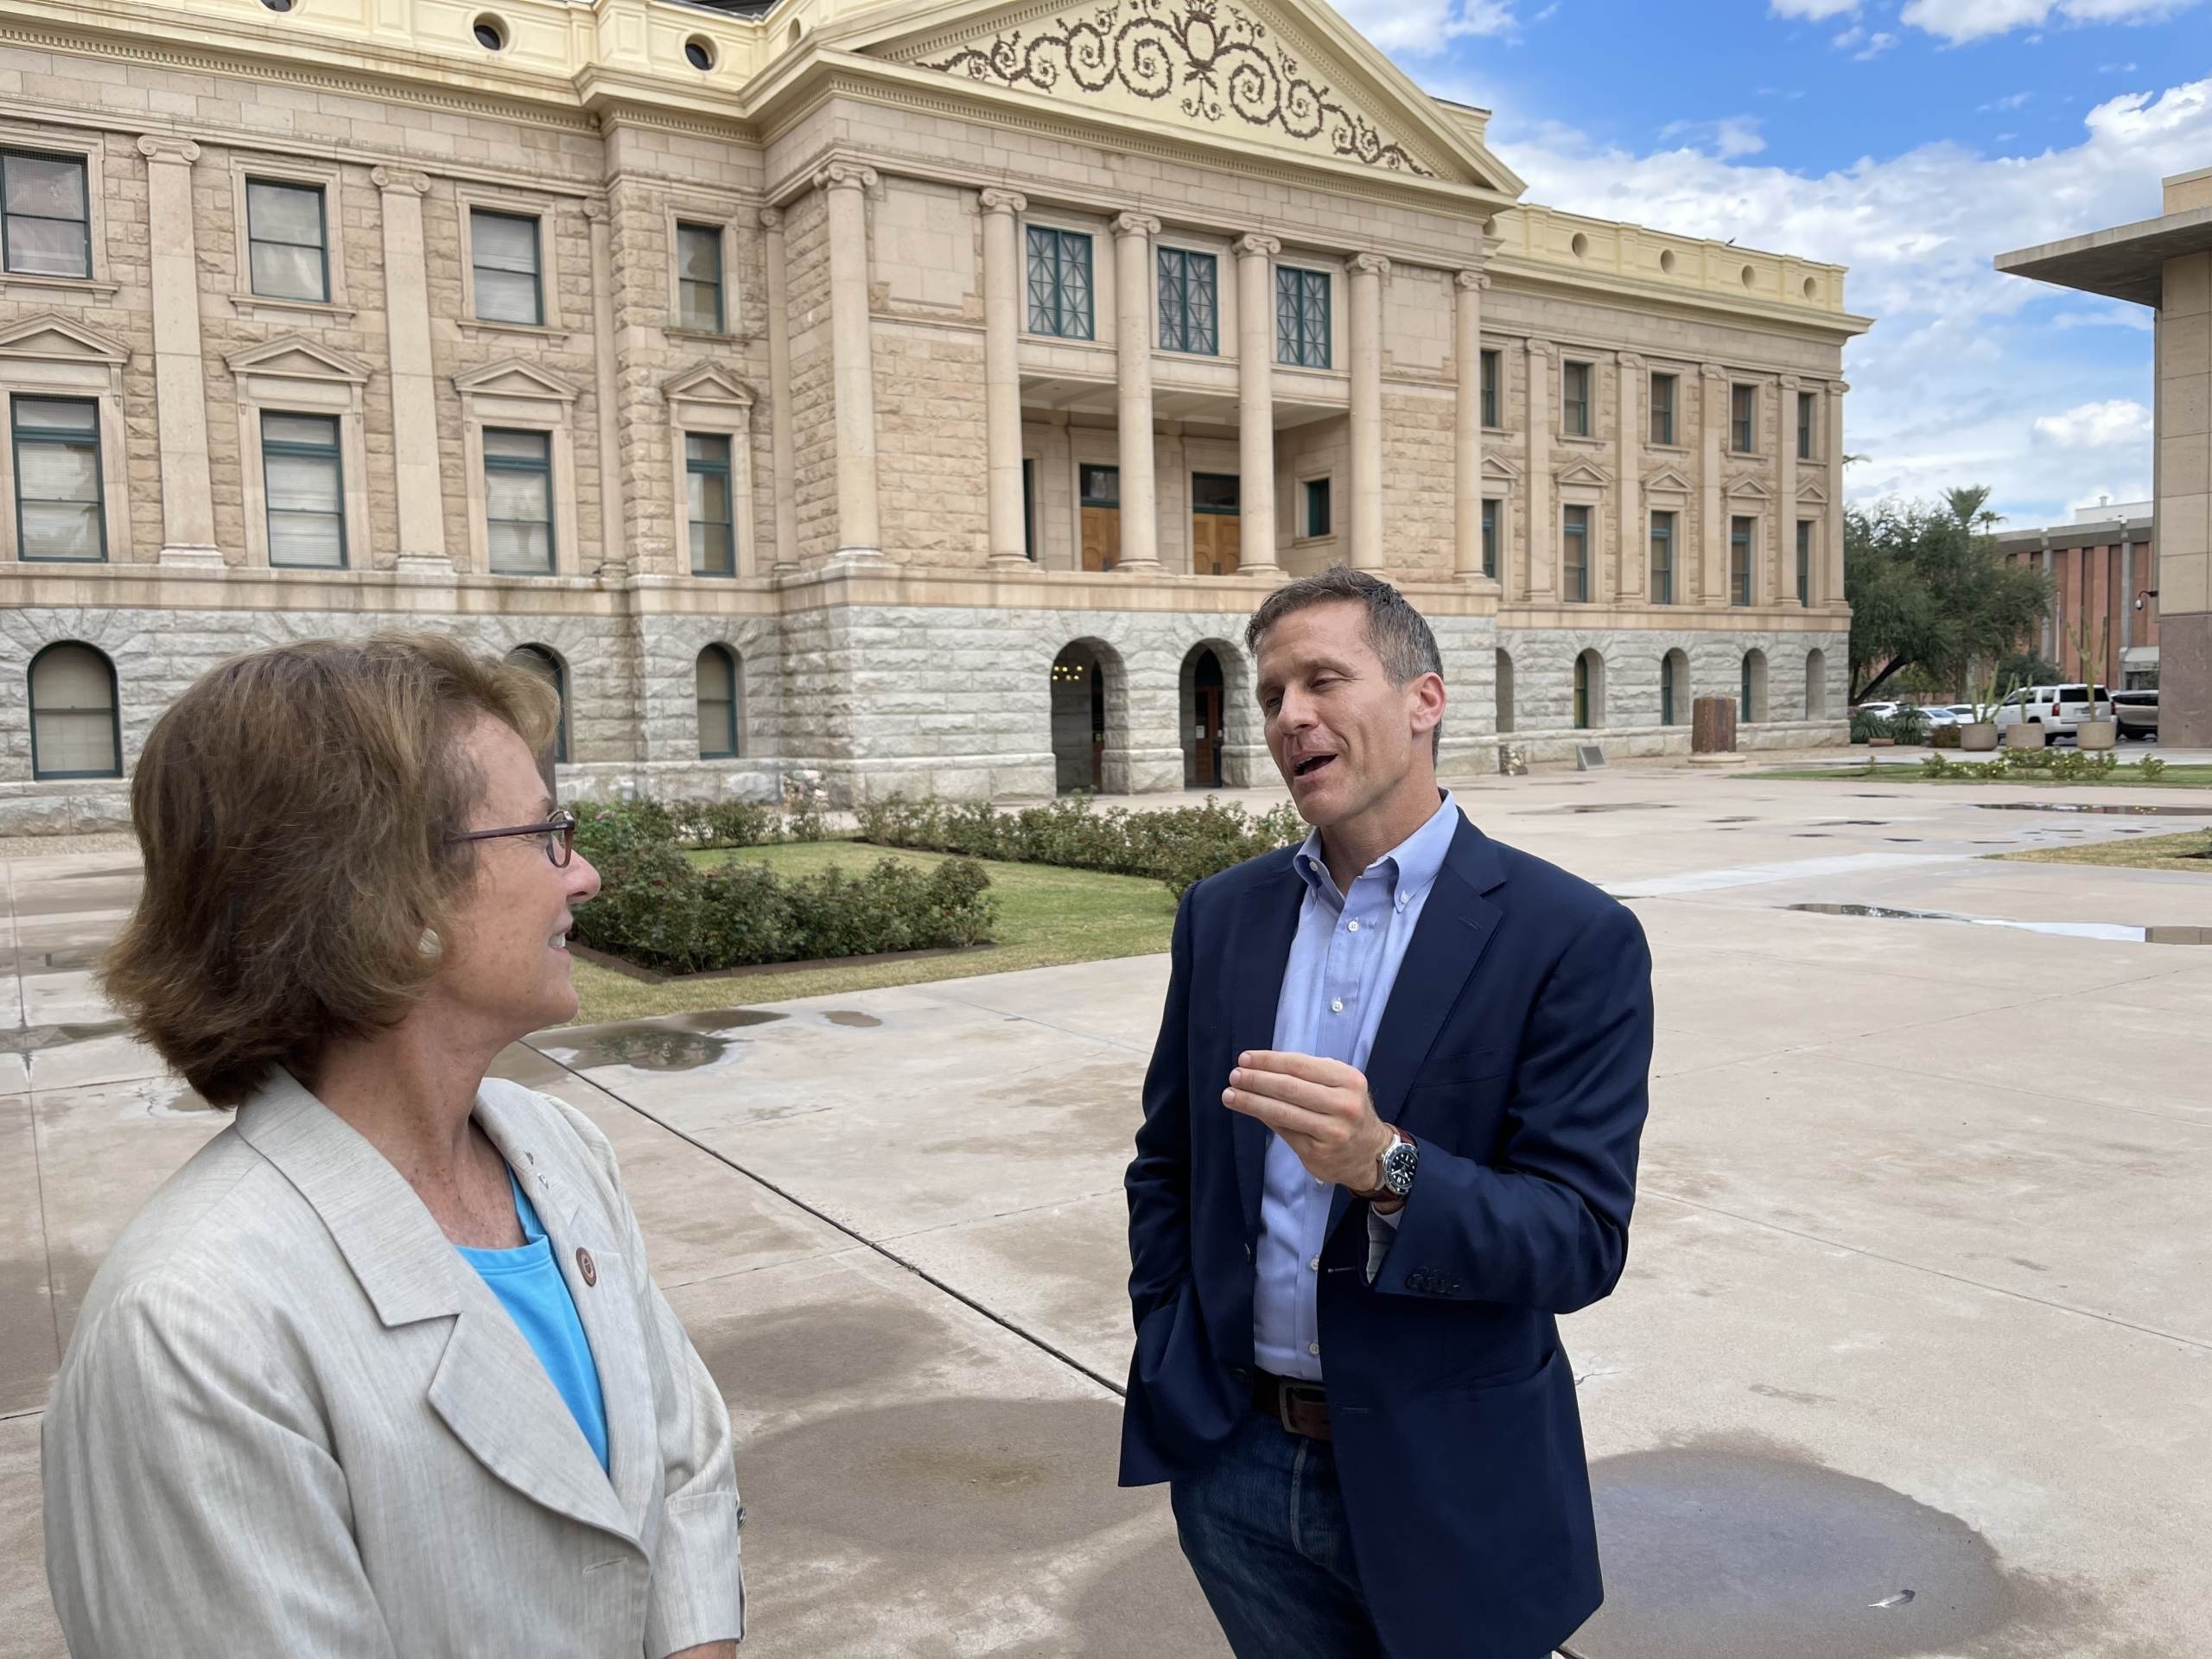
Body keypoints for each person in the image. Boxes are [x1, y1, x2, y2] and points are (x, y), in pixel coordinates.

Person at [42, 635, 744, 1659]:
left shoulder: (557, 1149)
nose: (583, 875)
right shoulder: (190, 1330)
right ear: (388, 893)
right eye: (547, 832)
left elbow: (684, 1464)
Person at [1121, 569, 1653, 1659]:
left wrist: (1384, 1165)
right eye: (1270, 694)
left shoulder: (1566, 938)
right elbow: (1166, 1165)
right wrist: (1172, 1341)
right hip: (1236, 1470)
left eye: (1324, 679)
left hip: (1449, 1483)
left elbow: (1578, 1242)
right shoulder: (1222, 917)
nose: (1288, 717)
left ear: (1425, 701)